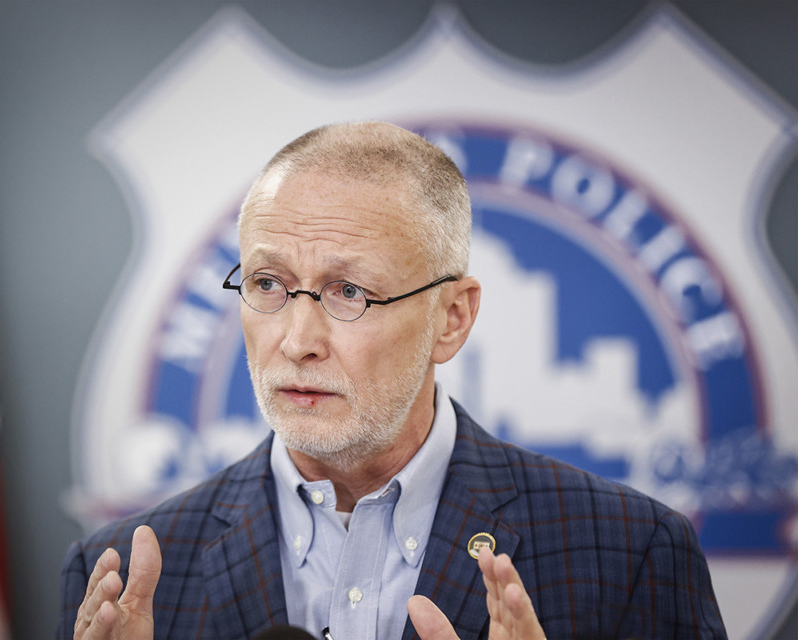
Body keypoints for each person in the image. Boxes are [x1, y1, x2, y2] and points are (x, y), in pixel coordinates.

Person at [57, 122, 726, 640]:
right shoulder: (113, 578)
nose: (296, 340)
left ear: (452, 317)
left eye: (349, 291)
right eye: (268, 284)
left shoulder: (632, 552)